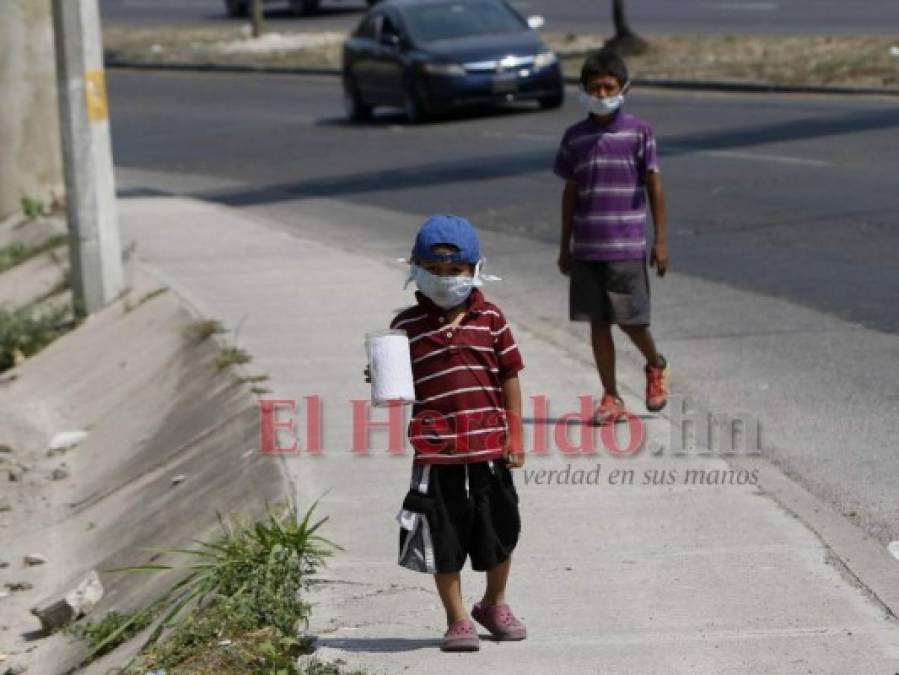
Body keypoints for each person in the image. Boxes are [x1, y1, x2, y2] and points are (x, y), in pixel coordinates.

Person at [367, 214, 526, 652]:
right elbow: (396, 385)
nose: (444, 280)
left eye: (454, 271)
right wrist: (379, 373)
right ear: (415, 269)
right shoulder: (406, 328)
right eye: (434, 271)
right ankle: (457, 618)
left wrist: (516, 435)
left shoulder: (491, 319)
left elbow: (510, 375)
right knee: (443, 535)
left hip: (490, 448)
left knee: (500, 529)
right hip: (437, 456)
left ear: (473, 270)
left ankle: (493, 603)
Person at [553, 47, 670, 422]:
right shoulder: (574, 138)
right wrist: (565, 244)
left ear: (623, 88)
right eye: (595, 88)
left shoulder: (639, 132)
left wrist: (661, 240)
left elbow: (654, 186)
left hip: (626, 245)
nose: (602, 95)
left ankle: (654, 363)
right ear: (584, 91)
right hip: (587, 247)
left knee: (632, 319)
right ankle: (611, 395)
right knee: (598, 323)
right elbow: (570, 192)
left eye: (609, 87)